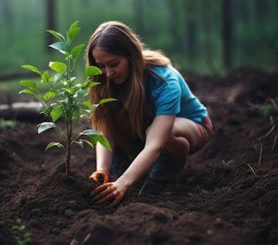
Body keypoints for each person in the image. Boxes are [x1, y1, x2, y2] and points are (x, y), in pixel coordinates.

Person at [86, 21, 213, 206]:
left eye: (114, 64)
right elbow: (105, 128)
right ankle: (124, 169)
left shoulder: (164, 81)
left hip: (191, 126)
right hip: (145, 128)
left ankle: (162, 177)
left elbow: (155, 143)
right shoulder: (104, 80)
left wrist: (124, 183)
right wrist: (102, 169)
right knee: (112, 115)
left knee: (162, 135)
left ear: (131, 56)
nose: (108, 73)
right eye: (101, 66)